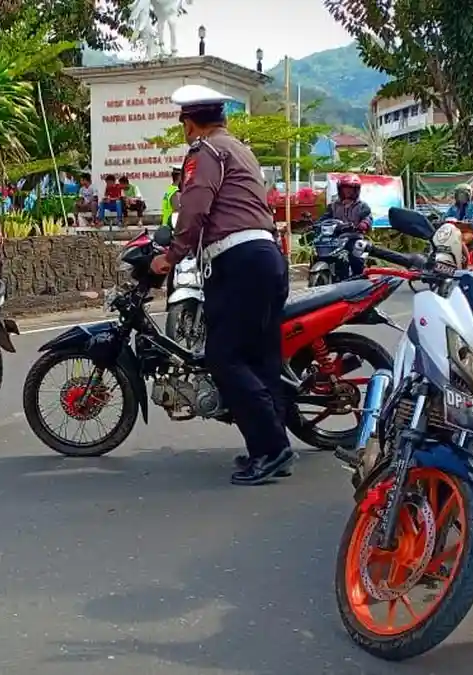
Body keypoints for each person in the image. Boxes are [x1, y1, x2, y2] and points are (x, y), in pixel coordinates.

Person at [150, 84, 295, 486]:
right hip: (267, 257)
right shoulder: (240, 148)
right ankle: (269, 448)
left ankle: (271, 448)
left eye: (183, 124)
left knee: (224, 356)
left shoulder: (205, 152)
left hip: (238, 261)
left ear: (190, 123)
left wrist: (170, 256)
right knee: (262, 356)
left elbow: (195, 206)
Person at [321, 174, 373, 275]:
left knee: (355, 257)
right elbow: (324, 218)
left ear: (356, 190)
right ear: (340, 189)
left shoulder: (362, 206)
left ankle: (359, 277)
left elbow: (368, 217)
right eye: (345, 188)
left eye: (350, 189)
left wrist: (364, 224)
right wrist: (314, 225)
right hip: (336, 238)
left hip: (354, 237)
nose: (347, 191)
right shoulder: (333, 206)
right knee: (320, 252)